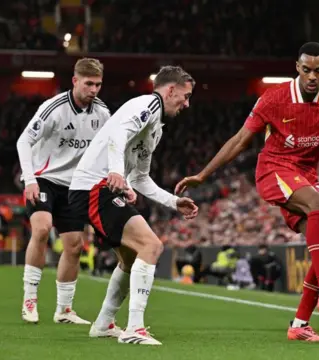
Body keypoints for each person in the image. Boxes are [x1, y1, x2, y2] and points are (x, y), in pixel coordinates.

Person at [175, 42, 319, 342]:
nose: (312, 76)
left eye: (318, 71)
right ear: (297, 67)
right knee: (318, 203)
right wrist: (203, 175)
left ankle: (299, 325)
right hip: (273, 169)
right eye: (306, 70)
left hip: (305, 175)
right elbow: (241, 139)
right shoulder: (275, 98)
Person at [68, 65, 199, 346]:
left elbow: (140, 178)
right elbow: (117, 136)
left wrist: (174, 202)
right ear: (170, 89)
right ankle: (135, 328)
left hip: (102, 187)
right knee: (152, 246)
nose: (187, 104)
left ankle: (104, 324)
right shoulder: (148, 104)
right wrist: (116, 172)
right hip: (94, 187)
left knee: (129, 259)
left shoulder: (156, 128)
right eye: (185, 96)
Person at [16, 58, 110, 325]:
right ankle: (30, 300)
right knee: (42, 228)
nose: (93, 89)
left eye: (98, 84)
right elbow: (24, 140)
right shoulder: (54, 108)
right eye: (89, 83)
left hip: (74, 185)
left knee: (75, 245)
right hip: (43, 178)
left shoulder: (103, 113)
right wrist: (30, 179)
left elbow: (111, 147)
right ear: (75, 81)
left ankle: (64, 310)